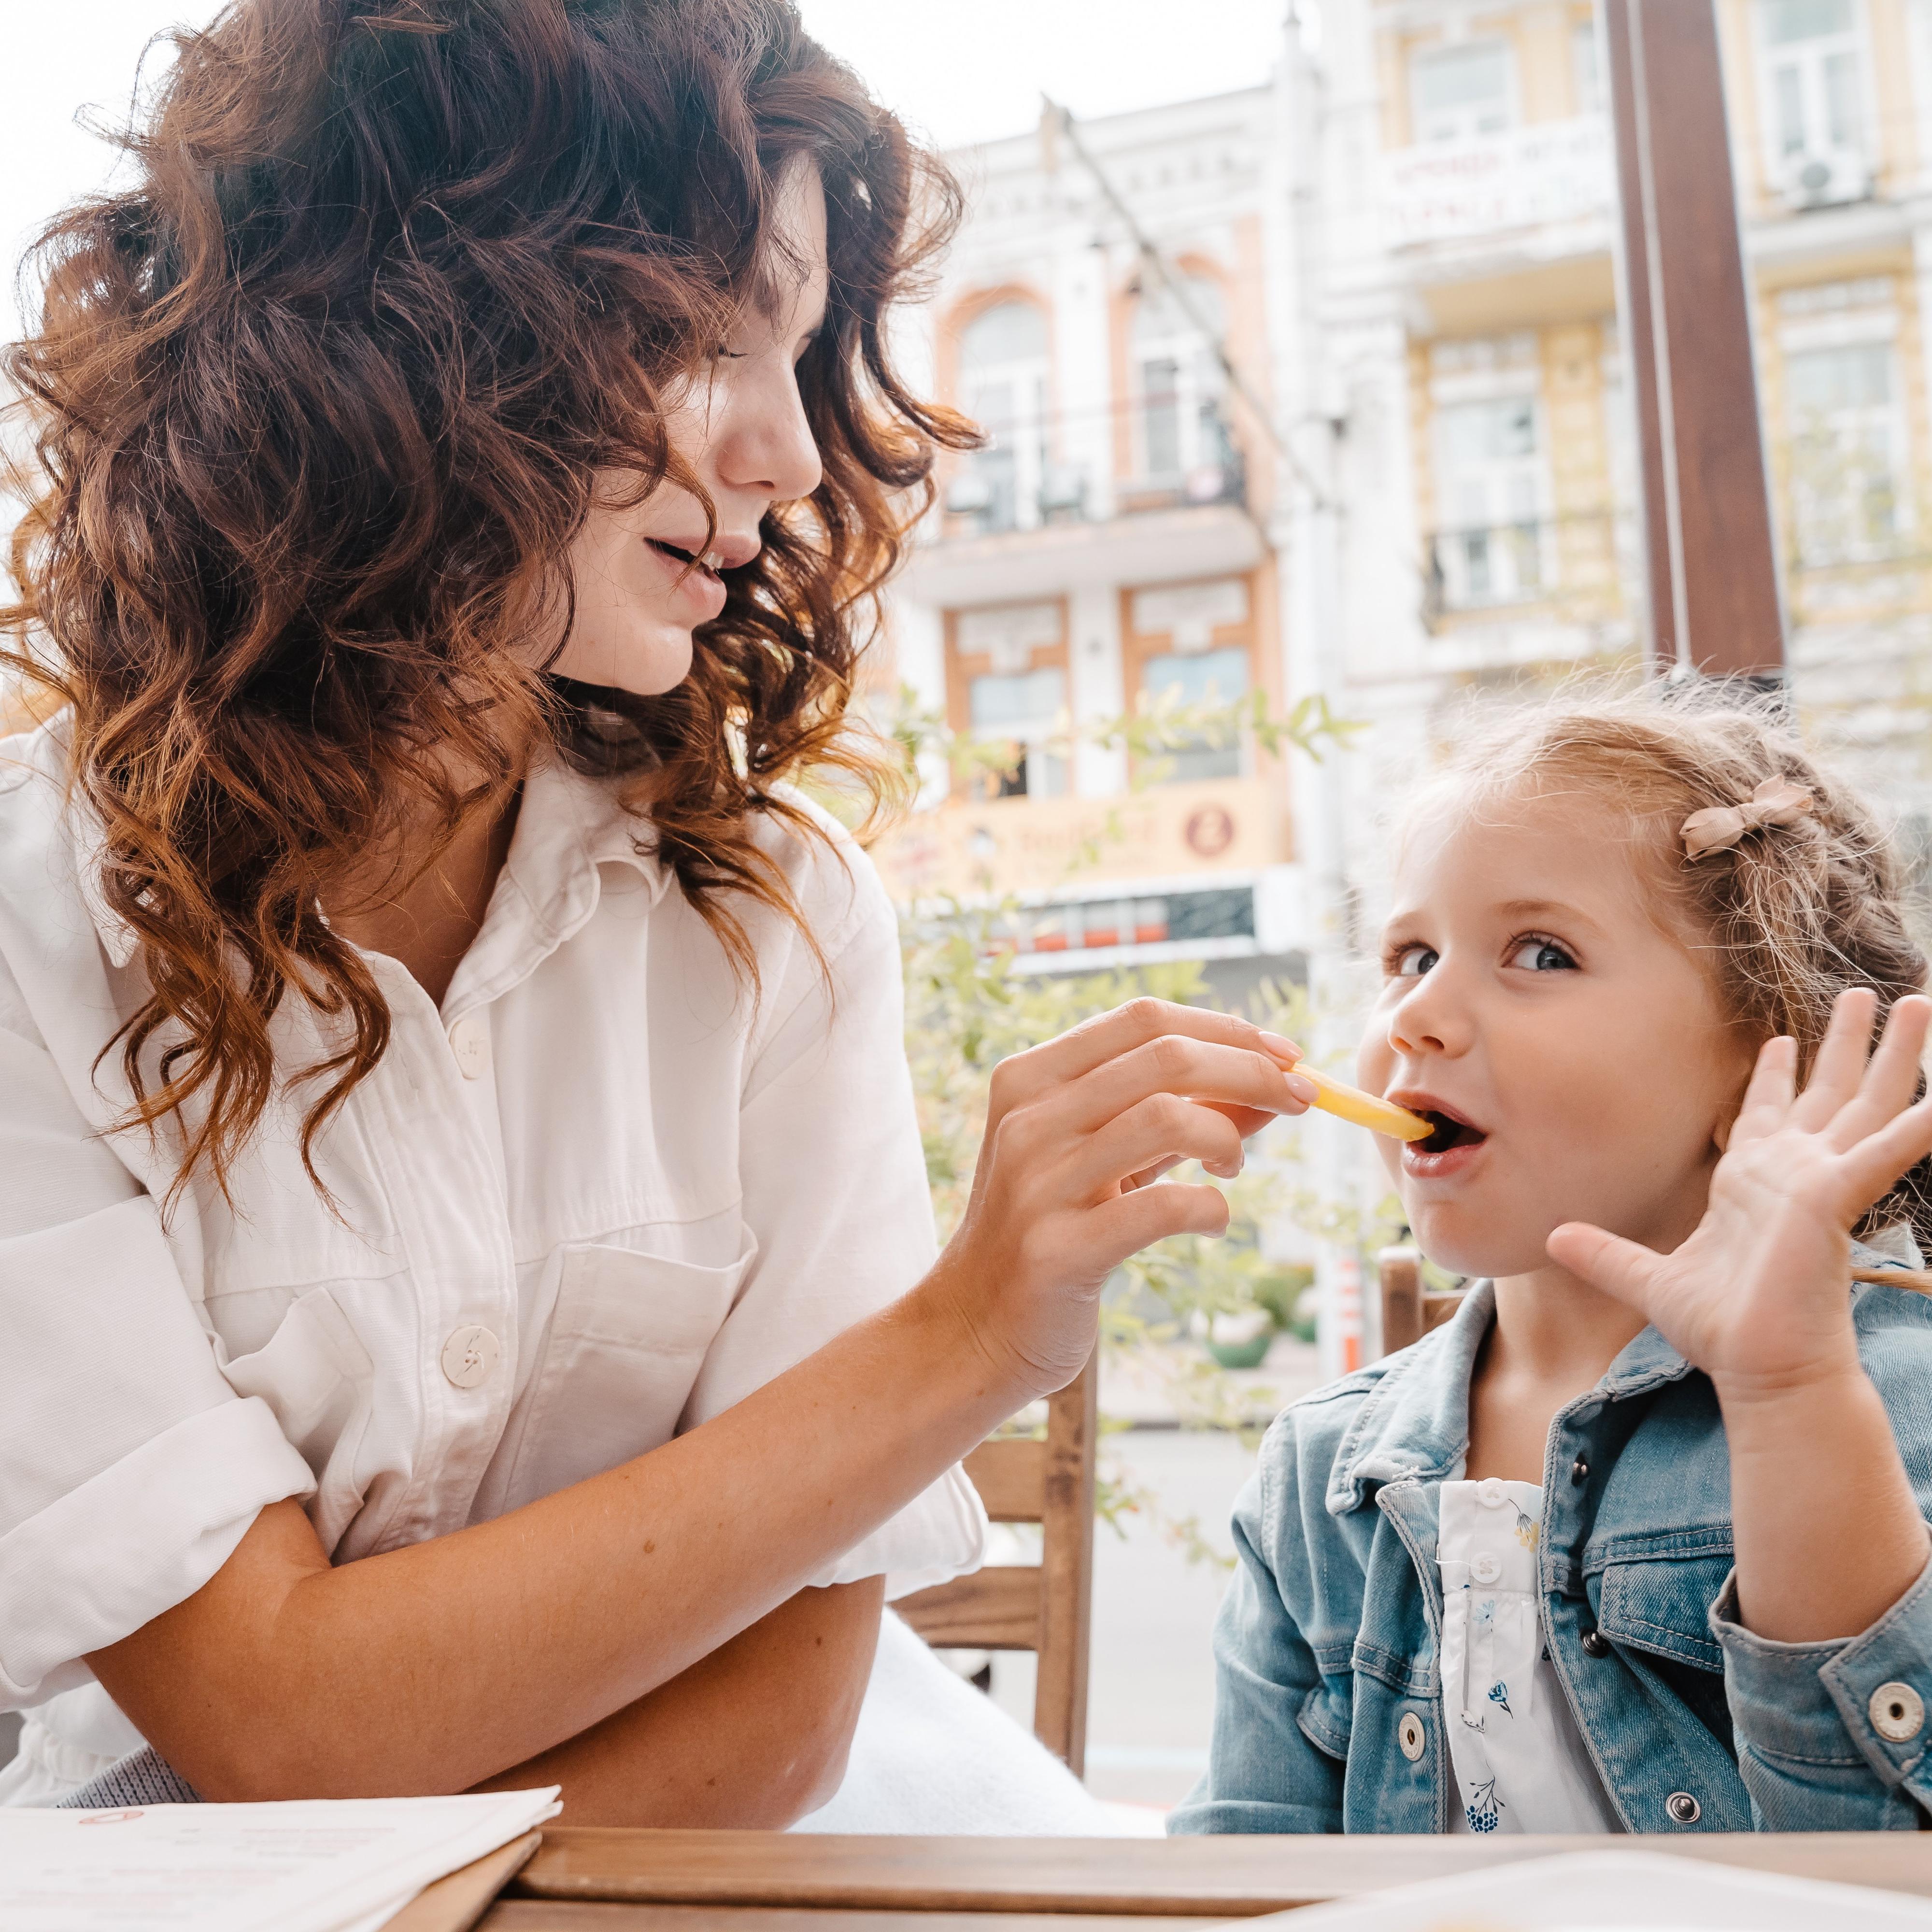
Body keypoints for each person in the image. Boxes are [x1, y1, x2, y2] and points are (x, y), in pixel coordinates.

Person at [0, 0, 1318, 1818]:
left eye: (804, 353)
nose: (792, 453)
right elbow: (274, 1720)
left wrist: (383, 1716)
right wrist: (960, 1339)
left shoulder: (774, 917)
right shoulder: (34, 929)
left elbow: (784, 1725)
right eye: (705, 340)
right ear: (401, 329)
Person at [1171, 686, 1932, 1836]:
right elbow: (1242, 1873)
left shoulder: (1892, 1396)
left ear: (1759, 1061)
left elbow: (1879, 1862)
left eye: (1538, 952)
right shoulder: (1317, 1473)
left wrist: (1789, 1393)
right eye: (1408, 954)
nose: (1416, 1014)